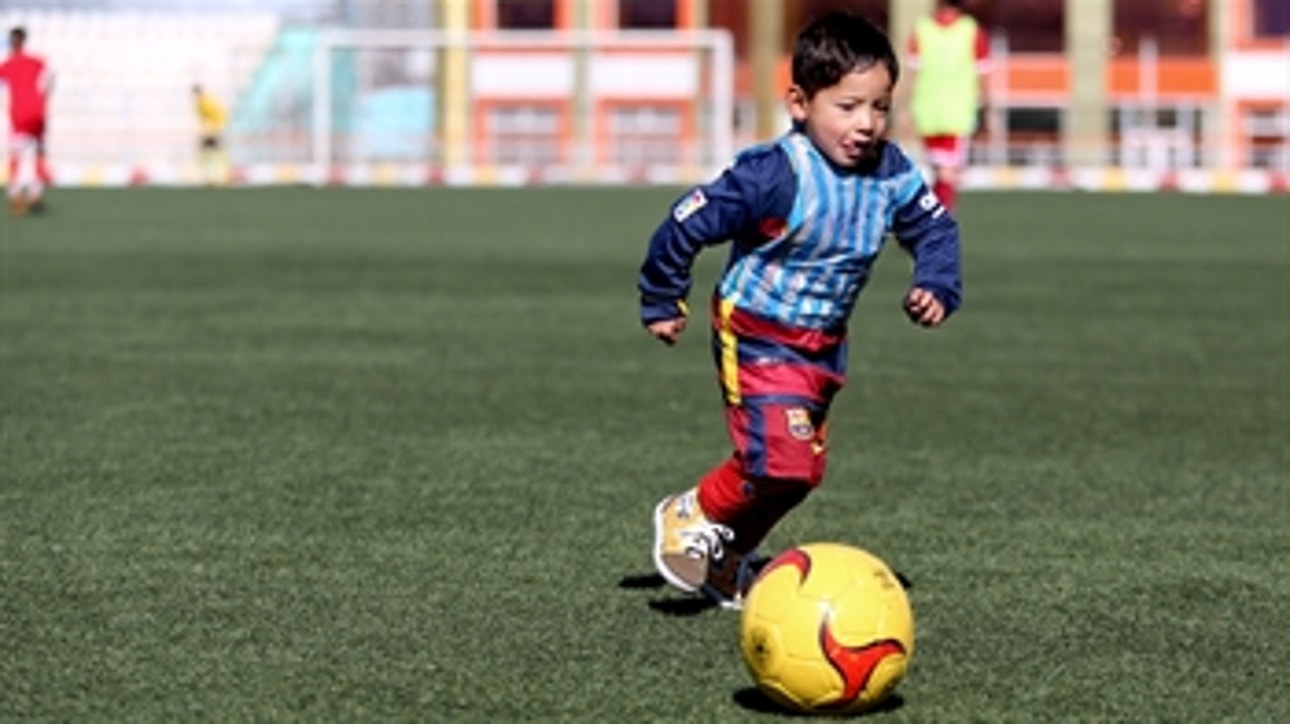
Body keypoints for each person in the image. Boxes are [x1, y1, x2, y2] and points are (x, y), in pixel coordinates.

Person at [640, 11, 963, 610]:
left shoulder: (892, 172)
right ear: (799, 103)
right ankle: (694, 511)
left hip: (823, 346)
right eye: (848, 106)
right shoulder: (773, 175)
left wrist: (938, 283)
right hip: (757, 333)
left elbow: (936, 231)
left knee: (801, 473)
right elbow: (684, 222)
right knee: (779, 463)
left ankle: (727, 559)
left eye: (880, 106)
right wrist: (662, 297)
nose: (867, 124)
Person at [906, 0, 990, 212]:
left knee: (940, 171)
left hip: (926, 112)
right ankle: (938, 222)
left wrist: (904, 108)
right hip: (957, 113)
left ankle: (930, 218)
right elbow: (983, 73)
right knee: (949, 172)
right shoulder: (971, 30)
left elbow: (912, 74)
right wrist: (987, 107)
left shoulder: (921, 29)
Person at [0, 26, 53, 216]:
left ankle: (14, 193)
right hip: (38, 111)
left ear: (11, 42)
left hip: (19, 114)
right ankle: (35, 193)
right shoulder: (37, 61)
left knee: (17, 154)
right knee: (38, 152)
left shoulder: (7, 64)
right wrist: (45, 98)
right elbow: (50, 79)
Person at [192, 84, 228, 186]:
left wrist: (212, 130)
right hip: (211, 130)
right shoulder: (201, 103)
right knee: (211, 150)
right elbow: (204, 119)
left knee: (213, 151)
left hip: (213, 130)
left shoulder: (207, 102)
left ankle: (218, 173)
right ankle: (209, 174)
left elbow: (216, 115)